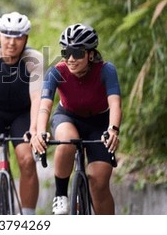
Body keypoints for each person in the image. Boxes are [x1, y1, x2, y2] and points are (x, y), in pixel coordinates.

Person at [32, 23, 122, 215]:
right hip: (68, 117)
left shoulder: (106, 70)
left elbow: (115, 103)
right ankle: (61, 195)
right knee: (67, 141)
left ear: (90, 54)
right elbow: (45, 105)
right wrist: (40, 131)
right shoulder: (56, 71)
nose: (71, 59)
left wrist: (113, 129)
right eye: (66, 52)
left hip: (99, 123)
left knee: (98, 182)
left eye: (78, 53)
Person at [0, 12, 43, 215]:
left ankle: (29, 217)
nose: (12, 42)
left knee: (27, 160)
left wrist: (34, 129)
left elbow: (37, 98)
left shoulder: (34, 59)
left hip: (21, 115)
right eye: (7, 36)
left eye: (18, 37)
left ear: (26, 39)